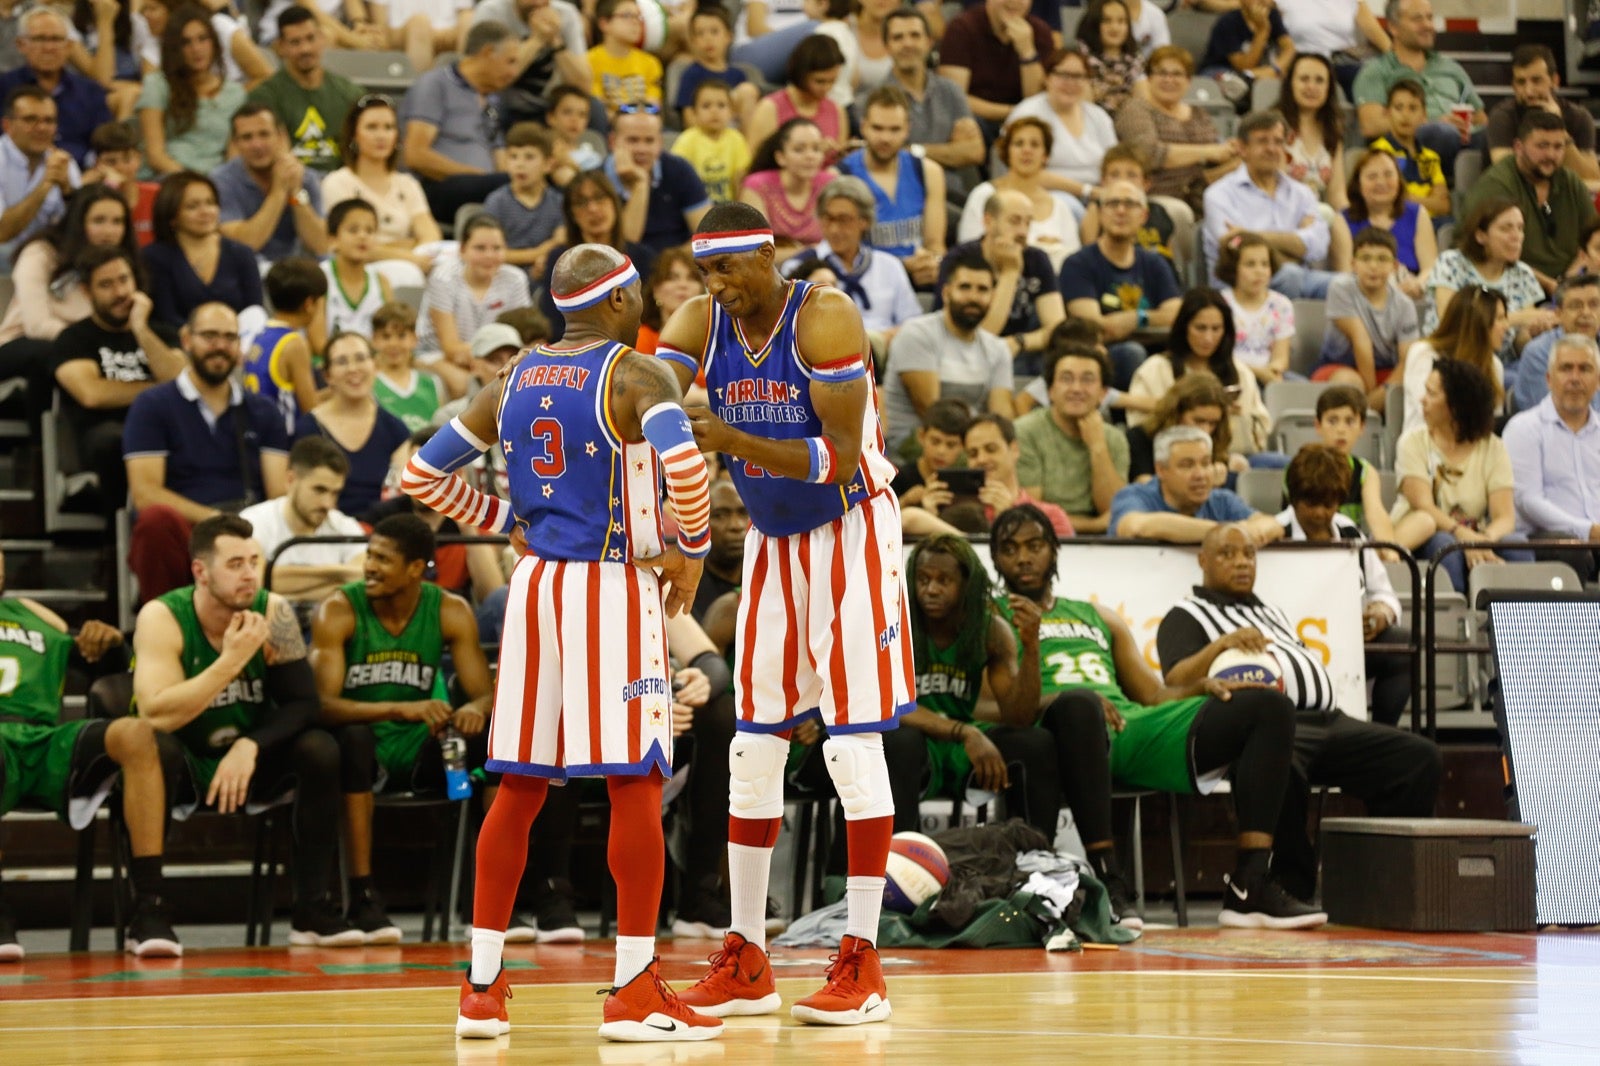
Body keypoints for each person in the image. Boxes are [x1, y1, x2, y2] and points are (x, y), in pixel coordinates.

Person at [399, 243, 722, 1041]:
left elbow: (422, 477)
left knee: (520, 784)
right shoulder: (639, 375)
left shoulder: (511, 379)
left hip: (535, 587)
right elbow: (685, 465)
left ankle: (479, 988)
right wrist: (691, 544)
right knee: (634, 783)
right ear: (620, 303)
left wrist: (508, 523)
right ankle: (636, 988)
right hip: (610, 587)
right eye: (642, 296)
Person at [656, 203, 912, 1025]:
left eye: (730, 269)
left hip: (852, 530)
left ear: (768, 256)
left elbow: (836, 461)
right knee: (752, 749)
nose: (718, 287)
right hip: (772, 538)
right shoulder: (701, 318)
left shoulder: (826, 315)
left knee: (851, 744)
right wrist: (678, 531)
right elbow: (645, 408)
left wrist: (726, 438)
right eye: (706, 272)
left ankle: (863, 961)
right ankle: (746, 957)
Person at [988, 504, 1326, 929]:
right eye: (1010, 548)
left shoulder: (1099, 616)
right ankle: (1109, 878)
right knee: (1080, 705)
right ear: (995, 558)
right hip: (1062, 734)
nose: (1023, 557)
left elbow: (1154, 694)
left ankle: (1250, 883)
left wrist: (1197, 687)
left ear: (1054, 550)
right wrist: (1063, 697)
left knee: (1267, 705)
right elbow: (990, 707)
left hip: (1130, 727)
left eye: (1035, 545)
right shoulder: (991, 618)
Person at [1156, 522, 1441, 898]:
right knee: (1279, 762)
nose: (1241, 562)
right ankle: (1290, 883)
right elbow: (1175, 681)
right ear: (1203, 560)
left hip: (1330, 721)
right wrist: (1221, 645)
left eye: (1248, 554)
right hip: (1270, 731)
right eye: (1227, 554)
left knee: (1418, 757)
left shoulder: (1271, 611)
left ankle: (1385, 883)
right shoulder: (1186, 614)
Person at [131, 514, 363, 946]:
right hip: (184, 758)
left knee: (320, 748)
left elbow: (304, 703)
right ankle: (149, 911)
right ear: (201, 571)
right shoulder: (161, 617)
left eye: (254, 562)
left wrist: (250, 745)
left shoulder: (273, 611)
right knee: (152, 748)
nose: (249, 574)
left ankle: (311, 909)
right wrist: (232, 661)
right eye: (235, 564)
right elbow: (156, 715)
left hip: (245, 759)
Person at [309, 513, 492, 943]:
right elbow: (321, 707)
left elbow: (484, 693)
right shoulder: (338, 609)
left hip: (419, 747)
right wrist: (402, 709)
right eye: (369, 555)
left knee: (487, 744)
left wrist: (474, 710)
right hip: (362, 743)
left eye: (383, 559)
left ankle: (483, 903)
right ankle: (362, 896)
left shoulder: (449, 609)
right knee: (350, 743)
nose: (370, 566)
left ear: (415, 568)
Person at [0, 545, 181, 961]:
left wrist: (112, 644)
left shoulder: (36, 615)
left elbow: (98, 664)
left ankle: (149, 908)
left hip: (43, 742)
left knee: (135, 734)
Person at [894, 534, 1059, 838]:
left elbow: (1019, 716)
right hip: (918, 743)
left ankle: (1036, 860)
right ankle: (888, 866)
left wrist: (1031, 646)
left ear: (967, 586)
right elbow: (887, 705)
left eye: (944, 581)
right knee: (898, 739)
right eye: (923, 579)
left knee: (1034, 742)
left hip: (961, 748)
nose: (930, 589)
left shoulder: (991, 630)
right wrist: (964, 732)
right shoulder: (895, 623)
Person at [123, 302, 290, 601]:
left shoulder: (263, 411)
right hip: (187, 532)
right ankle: (167, 626)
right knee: (155, 521)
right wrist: (214, 519)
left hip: (248, 532)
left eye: (230, 338)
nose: (220, 347)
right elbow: (145, 493)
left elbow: (278, 493)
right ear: (186, 340)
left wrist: (244, 529)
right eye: (210, 336)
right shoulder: (152, 405)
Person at [1277, 443, 1409, 725]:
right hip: (1292, 650)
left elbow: (1384, 593)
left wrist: (1380, 615)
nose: (1320, 514)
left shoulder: (1350, 532)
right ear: (1293, 498)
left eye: (1329, 504)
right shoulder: (1275, 535)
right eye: (1310, 504)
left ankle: (1383, 733)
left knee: (1404, 646)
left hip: (1350, 643)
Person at [51, 246, 184, 518]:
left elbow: (181, 381)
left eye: (124, 280)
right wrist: (159, 391)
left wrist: (140, 329)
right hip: (106, 437)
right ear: (87, 292)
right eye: (106, 285)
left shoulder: (161, 333)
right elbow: (92, 393)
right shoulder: (73, 339)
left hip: (166, 432)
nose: (120, 292)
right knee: (117, 441)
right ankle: (117, 545)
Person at [1391, 359, 1533, 591]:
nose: (1422, 400)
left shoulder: (1493, 447)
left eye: (1431, 394)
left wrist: (1484, 539)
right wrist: (1464, 536)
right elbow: (1424, 506)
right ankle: (1453, 620)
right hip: (1427, 533)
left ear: (1455, 407)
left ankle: (1519, 620)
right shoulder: (1413, 442)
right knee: (1445, 545)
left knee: (1516, 544)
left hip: (1475, 535)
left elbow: (1505, 517)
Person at [880, 252, 1013, 452]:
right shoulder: (917, 334)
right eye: (964, 287)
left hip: (968, 449)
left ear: (992, 296)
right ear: (946, 293)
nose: (973, 297)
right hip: (913, 449)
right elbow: (936, 416)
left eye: (982, 290)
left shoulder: (998, 349)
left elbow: (1001, 418)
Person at [1059, 178, 1182, 390]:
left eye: (1130, 204)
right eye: (1113, 204)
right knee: (1131, 353)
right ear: (1100, 214)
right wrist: (1153, 320)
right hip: (1103, 357)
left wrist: (1136, 318)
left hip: (1155, 352)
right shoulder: (1078, 263)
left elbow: (1177, 315)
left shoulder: (1155, 262)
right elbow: (1093, 327)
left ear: (1143, 216)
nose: (1121, 211)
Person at [1202, 111, 1335, 300]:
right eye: (1263, 141)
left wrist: (1253, 235)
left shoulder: (1302, 193)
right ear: (1242, 148)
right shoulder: (1219, 195)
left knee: (1347, 285)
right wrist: (1294, 246)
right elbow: (1236, 252)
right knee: (1290, 274)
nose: (1272, 149)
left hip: (1302, 277)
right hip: (1238, 285)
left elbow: (1318, 247)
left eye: (1278, 142)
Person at [1128, 288, 1272, 461]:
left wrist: (1232, 417)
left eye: (1216, 329)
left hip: (1233, 456)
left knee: (1274, 463)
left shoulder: (1240, 372)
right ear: (1184, 328)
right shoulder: (1154, 370)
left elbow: (1261, 429)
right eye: (1200, 328)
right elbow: (1140, 430)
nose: (1208, 338)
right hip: (1172, 460)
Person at [1464, 110, 1599, 292]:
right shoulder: (1496, 185)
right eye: (1542, 146)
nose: (1551, 154)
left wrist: (1571, 277)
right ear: (1518, 147)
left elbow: (1594, 238)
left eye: (1558, 147)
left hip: (1571, 285)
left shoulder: (1570, 182)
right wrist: (1552, 285)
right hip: (1513, 288)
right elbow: (1485, 252)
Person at [1503, 334, 1600, 582]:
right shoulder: (1523, 428)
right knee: (1571, 549)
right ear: (1548, 379)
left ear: (1598, 381)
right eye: (1566, 368)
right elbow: (1528, 500)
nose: (1575, 378)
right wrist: (1587, 530)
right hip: (1545, 537)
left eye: (1585, 369)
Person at [400, 19, 518, 223]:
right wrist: (478, 177)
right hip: (438, 188)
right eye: (510, 62)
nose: (514, 73)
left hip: (484, 188)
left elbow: (499, 156)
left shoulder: (494, 99)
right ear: (488, 53)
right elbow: (415, 155)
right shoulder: (435, 85)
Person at [1352, 0, 1484, 179]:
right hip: (1414, 145)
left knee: (1496, 137)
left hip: (1464, 142)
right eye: (1417, 19)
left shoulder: (1451, 68)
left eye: (1430, 18)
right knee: (1439, 133)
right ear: (1393, 27)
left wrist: (1463, 122)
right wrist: (1432, 121)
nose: (1428, 25)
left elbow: (1481, 117)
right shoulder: (1376, 71)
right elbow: (1371, 125)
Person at [780, 176, 920, 342]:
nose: (834, 229)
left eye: (844, 220)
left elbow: (913, 323)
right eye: (828, 218)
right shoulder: (798, 266)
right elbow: (790, 329)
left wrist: (879, 341)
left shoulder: (889, 265)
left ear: (865, 221)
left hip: (885, 351)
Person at [938, 188, 1064, 373]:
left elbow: (1058, 330)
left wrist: (1018, 342)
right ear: (988, 222)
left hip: (1021, 350)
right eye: (1014, 221)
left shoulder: (1037, 259)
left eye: (1028, 223)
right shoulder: (961, 260)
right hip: (966, 353)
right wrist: (1010, 273)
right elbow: (980, 337)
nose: (1022, 231)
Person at [320, 93, 443, 278]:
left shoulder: (408, 184)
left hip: (412, 264)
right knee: (408, 273)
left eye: (389, 127)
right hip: (360, 269)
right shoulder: (337, 182)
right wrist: (406, 250)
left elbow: (431, 235)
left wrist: (394, 251)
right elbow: (349, 245)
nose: (381, 135)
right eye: (372, 127)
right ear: (354, 135)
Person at [837, 85, 946, 286]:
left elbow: (935, 244)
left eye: (894, 129)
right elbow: (843, 252)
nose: (885, 138)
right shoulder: (841, 176)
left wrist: (933, 263)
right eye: (877, 128)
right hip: (866, 279)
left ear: (907, 129)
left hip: (919, 277)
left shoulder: (929, 172)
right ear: (863, 127)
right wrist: (901, 266)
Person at [0, 183, 133, 346]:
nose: (109, 231)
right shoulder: (41, 253)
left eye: (117, 222)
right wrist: (94, 343)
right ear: (78, 222)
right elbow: (37, 326)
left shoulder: (123, 265)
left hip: (91, 350)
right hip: (28, 346)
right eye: (98, 221)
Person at [1015, 343, 1129, 533]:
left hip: (1104, 544)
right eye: (1066, 379)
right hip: (1041, 536)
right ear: (1050, 390)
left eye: (1087, 380)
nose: (1076, 388)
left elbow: (1112, 509)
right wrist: (1094, 525)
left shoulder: (1114, 438)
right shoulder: (1025, 431)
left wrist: (1097, 446)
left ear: (1103, 393)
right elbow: (1031, 513)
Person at [239, 436, 366, 606]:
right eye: (319, 490)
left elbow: (364, 581)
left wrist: (281, 591)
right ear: (291, 480)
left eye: (335, 493)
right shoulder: (254, 521)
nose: (328, 504)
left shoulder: (345, 526)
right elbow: (257, 580)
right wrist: (339, 576)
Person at [297, 331, 411, 518]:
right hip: (326, 532)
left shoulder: (395, 430)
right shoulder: (308, 429)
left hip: (383, 532)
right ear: (327, 375)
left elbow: (402, 494)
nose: (353, 369)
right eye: (342, 362)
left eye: (360, 358)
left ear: (375, 366)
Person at [1113, 46, 1238, 215]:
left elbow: (1217, 152)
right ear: (1149, 78)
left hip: (1203, 190)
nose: (1169, 80)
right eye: (1162, 73)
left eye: (1177, 74)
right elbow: (1148, 153)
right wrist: (1207, 152)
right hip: (1158, 195)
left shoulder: (1199, 114)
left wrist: (1233, 152)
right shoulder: (1135, 109)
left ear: (1188, 81)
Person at [417, 215, 533, 396]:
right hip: (436, 354)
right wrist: (488, 363)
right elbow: (451, 348)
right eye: (480, 248)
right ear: (462, 250)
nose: (489, 255)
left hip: (494, 356)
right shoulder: (443, 279)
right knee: (463, 383)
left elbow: (523, 337)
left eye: (497, 248)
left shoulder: (515, 279)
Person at [856, 8, 983, 171]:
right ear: (887, 46)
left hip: (953, 192)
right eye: (898, 37)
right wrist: (950, 150)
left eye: (915, 35)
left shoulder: (951, 91)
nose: (907, 44)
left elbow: (975, 151)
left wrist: (914, 150)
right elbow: (882, 155)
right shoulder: (869, 100)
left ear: (929, 42)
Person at [1111, 425, 1284, 543]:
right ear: (1161, 470)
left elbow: (1272, 525)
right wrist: (1230, 533)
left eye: (1206, 463)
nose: (1200, 474)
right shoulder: (1134, 495)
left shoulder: (1221, 500)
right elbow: (1135, 526)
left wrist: (1250, 531)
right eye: (1187, 465)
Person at [246, 5, 364, 175]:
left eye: (311, 38)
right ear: (280, 47)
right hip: (288, 183)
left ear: (322, 39)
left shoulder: (350, 93)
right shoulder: (264, 97)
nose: (305, 49)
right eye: (295, 42)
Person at [538, 171, 654, 342]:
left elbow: (649, 315)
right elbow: (553, 324)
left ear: (615, 203)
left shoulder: (642, 256)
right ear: (572, 215)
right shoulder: (559, 261)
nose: (593, 209)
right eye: (582, 202)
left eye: (600, 198)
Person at [140, 171, 264, 330]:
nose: (205, 212)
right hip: (178, 347)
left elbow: (254, 313)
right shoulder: (153, 257)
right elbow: (166, 318)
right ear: (172, 215)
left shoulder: (242, 254)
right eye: (192, 206)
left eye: (210, 203)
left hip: (237, 345)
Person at [1005, 47, 1118, 217]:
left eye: (1078, 76)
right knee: (1071, 208)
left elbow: (1115, 164)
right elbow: (1024, 172)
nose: (1070, 83)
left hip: (1097, 195)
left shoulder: (1098, 116)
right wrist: (1087, 191)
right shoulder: (1028, 114)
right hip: (1045, 195)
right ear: (1048, 77)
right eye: (1063, 75)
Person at [136, 6, 247, 177]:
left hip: (216, 182)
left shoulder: (235, 94)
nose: (196, 49)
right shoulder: (157, 84)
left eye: (203, 39)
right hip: (169, 178)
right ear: (175, 49)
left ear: (214, 43)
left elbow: (234, 158)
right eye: (186, 42)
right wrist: (193, 184)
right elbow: (155, 156)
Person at [1422, 197, 1553, 342]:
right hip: (1451, 355)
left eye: (1520, 228)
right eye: (1506, 229)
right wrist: (1515, 318)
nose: (1517, 236)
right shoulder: (1451, 263)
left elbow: (1519, 342)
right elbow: (1451, 322)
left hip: (1503, 362)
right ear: (1480, 236)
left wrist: (1534, 333)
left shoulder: (1523, 274)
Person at [212, 103, 328, 264]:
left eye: (264, 134)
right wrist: (279, 191)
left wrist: (295, 192)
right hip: (247, 270)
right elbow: (245, 245)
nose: (257, 145)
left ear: (280, 136)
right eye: (247, 137)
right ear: (235, 143)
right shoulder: (221, 181)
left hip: (297, 271)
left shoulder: (304, 176)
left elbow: (320, 245)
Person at [957, 116, 1080, 267]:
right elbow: (969, 250)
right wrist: (1043, 249)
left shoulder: (1060, 206)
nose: (1027, 150)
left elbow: (1074, 262)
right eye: (1019, 143)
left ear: (1045, 156)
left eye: (1035, 145)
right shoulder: (984, 195)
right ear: (1007, 152)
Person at [1318, 228, 1420, 407]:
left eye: (1382, 259)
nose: (1373, 266)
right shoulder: (1340, 288)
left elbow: (1407, 359)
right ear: (1353, 264)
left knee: (1413, 381)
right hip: (1338, 367)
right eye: (1365, 258)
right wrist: (1371, 397)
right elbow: (1361, 341)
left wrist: (1379, 395)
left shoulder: (1405, 305)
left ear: (1395, 266)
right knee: (1349, 384)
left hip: (1384, 372)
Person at [0, 8, 111, 167]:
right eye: (40, 39)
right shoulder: (3, 87)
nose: (49, 48)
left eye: (56, 39)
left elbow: (106, 146)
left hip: (83, 182)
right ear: (21, 45)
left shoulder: (91, 92)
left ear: (69, 46)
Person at [1402, 282, 1509, 437]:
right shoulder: (1424, 354)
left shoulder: (1494, 365)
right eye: (1499, 318)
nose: (1506, 326)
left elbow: (1493, 426)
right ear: (1477, 322)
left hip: (1475, 451)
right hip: (1424, 448)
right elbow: (1428, 413)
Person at [465, 0, 591, 133]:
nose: (539, 4)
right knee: (490, 101)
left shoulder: (566, 14)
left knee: (592, 106)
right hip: (504, 98)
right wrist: (537, 39)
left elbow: (584, 85)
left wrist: (555, 41)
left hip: (548, 101)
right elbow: (488, 77)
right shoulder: (492, 11)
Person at [936, 0, 1053, 141]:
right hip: (978, 120)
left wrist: (1027, 52)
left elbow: (1037, 98)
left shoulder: (1040, 32)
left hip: (1025, 123)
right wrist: (1013, 112)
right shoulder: (961, 28)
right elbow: (954, 98)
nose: (1014, 2)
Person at [1487, 44, 1599, 184]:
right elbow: (1507, 176)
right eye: (1521, 82)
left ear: (1554, 81)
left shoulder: (1579, 117)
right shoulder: (1502, 117)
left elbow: (1592, 177)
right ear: (1513, 86)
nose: (1529, 91)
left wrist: (1560, 128)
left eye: (1536, 81)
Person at [607, 107, 713, 257]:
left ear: (660, 143)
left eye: (649, 141)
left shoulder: (680, 170)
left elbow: (708, 238)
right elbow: (624, 248)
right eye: (633, 140)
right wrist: (641, 185)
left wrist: (666, 265)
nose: (642, 149)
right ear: (613, 142)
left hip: (676, 270)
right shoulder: (598, 180)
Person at [0, 86, 80, 270]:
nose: (42, 128)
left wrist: (68, 192)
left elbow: (79, 229)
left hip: (48, 256)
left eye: (49, 121)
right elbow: (2, 233)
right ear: (7, 125)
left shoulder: (64, 162)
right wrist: (45, 185)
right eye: (30, 120)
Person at [1339, 147, 1435, 298]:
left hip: (1411, 295)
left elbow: (1429, 268)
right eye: (1372, 176)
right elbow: (1344, 274)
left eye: (1388, 174)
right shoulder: (1342, 220)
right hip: (1363, 296)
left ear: (1399, 179)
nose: (1381, 182)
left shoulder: (1417, 214)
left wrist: (1417, 284)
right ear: (1358, 184)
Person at [247, 256, 328, 432]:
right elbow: (311, 410)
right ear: (309, 304)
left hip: (257, 432)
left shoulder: (261, 334)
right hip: (284, 440)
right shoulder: (295, 343)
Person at [1125, 370, 1242, 486]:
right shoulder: (1140, 437)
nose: (1206, 431)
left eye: (1213, 423)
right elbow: (1145, 488)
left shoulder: (1215, 438)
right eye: (1198, 421)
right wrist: (1205, 483)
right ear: (1176, 413)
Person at [746, 34, 847, 167]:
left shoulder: (836, 110)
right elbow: (754, 162)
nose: (827, 88)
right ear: (801, 74)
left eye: (832, 81)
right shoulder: (769, 108)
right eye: (820, 81)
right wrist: (813, 151)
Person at [965, 412, 1072, 533]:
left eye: (991, 449)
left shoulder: (1051, 516)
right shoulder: (959, 512)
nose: (981, 459)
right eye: (973, 454)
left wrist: (1009, 519)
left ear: (1014, 450)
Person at [739, 119, 836, 253]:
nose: (810, 156)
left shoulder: (831, 185)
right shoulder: (757, 186)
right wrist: (808, 252)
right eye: (799, 150)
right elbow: (756, 253)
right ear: (780, 157)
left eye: (816, 149)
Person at [483, 122, 564, 281]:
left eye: (529, 157)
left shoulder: (558, 202)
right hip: (503, 278)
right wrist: (537, 254)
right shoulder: (497, 202)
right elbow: (490, 252)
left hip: (547, 276)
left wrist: (544, 259)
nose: (520, 164)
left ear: (548, 164)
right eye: (513, 157)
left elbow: (560, 241)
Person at [1512, 274, 1600, 416]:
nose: (1586, 313)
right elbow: (1561, 415)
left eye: (1594, 305)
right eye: (1576, 306)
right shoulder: (1538, 353)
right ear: (1558, 313)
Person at [1217, 231, 1295, 387]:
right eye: (1250, 264)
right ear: (1233, 269)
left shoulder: (1282, 304)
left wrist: (1273, 371)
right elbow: (1219, 358)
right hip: (1231, 376)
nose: (1259, 271)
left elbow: (1281, 357)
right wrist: (1259, 373)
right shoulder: (1220, 303)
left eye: (1265, 264)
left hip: (1269, 375)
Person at [1368, 79, 1450, 222]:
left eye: (1412, 108)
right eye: (1398, 108)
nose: (1405, 115)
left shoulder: (1430, 157)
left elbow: (1444, 205)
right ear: (1387, 113)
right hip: (1395, 220)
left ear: (1424, 115)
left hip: (1429, 222)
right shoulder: (1379, 152)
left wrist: (1410, 198)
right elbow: (1390, 199)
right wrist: (1428, 201)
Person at [1274, 52, 1348, 212]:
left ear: (1329, 88)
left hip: (1316, 217)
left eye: (1319, 80)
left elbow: (1337, 196)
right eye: (1304, 79)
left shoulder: (1333, 133)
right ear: (1290, 84)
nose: (1311, 87)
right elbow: (1275, 189)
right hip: (1279, 213)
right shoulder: (1274, 127)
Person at [1276, 0, 1389, 98]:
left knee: (1369, 82)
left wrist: (1399, 61)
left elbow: (1377, 35)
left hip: (1342, 62)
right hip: (1302, 62)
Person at [672, 79, 753, 205]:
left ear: (732, 112)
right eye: (706, 106)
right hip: (696, 208)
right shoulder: (687, 140)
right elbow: (678, 178)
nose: (714, 111)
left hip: (728, 209)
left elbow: (740, 179)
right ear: (694, 112)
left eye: (721, 105)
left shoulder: (737, 139)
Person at [674, 6, 760, 124]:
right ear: (693, 41)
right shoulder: (691, 74)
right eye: (700, 34)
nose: (708, 39)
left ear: (729, 36)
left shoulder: (738, 75)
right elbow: (688, 118)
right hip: (703, 133)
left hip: (733, 133)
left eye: (714, 32)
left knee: (748, 90)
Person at [321, 199, 392, 339]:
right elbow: (318, 342)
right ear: (333, 239)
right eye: (353, 230)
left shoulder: (382, 282)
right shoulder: (320, 278)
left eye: (370, 231)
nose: (363, 236)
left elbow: (387, 336)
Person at [370, 301, 444, 431]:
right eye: (386, 337)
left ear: (414, 339)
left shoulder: (432, 383)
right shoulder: (370, 385)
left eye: (401, 336)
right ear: (375, 340)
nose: (393, 344)